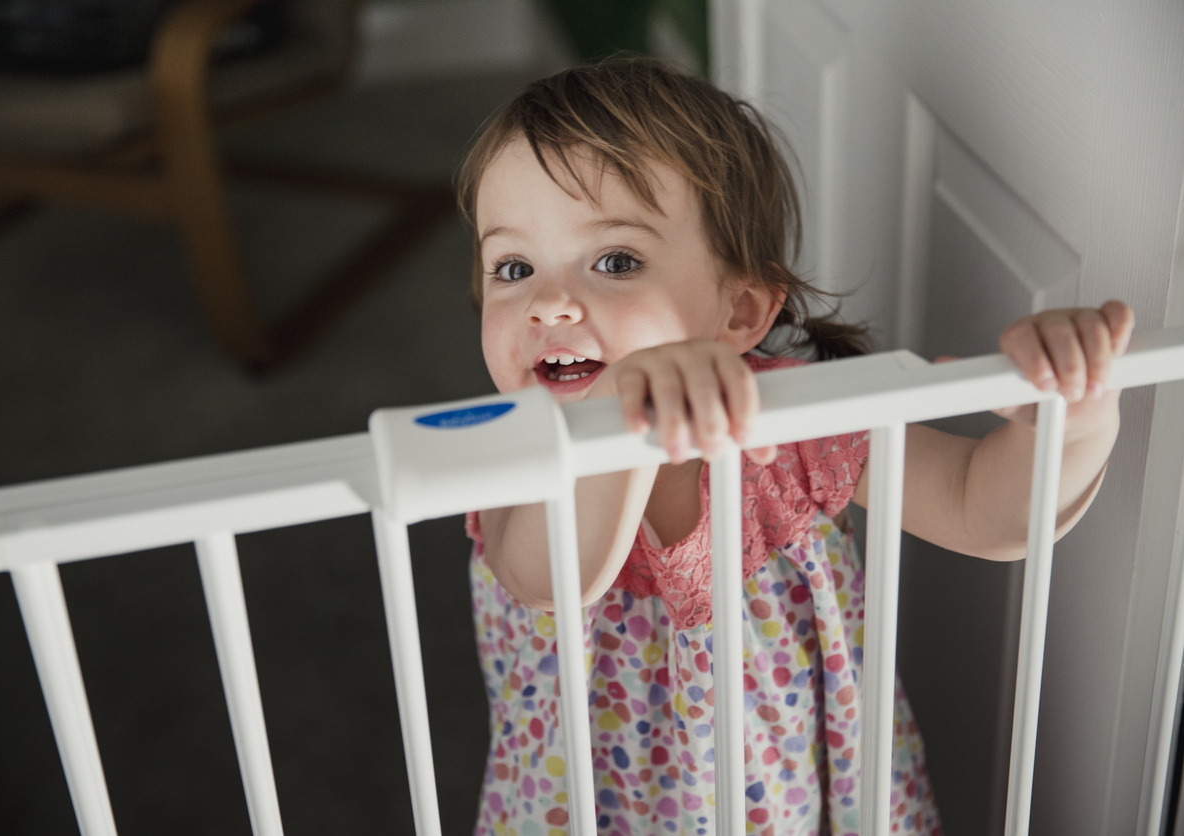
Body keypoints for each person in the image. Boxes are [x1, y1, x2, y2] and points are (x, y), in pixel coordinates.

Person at [456, 57, 1131, 836]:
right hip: (587, 805)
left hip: (783, 795)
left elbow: (985, 509)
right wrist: (617, 408)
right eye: (512, 267)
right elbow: (548, 578)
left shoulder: (790, 422)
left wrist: (1071, 420)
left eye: (616, 261)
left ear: (740, 311)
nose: (547, 303)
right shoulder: (509, 446)